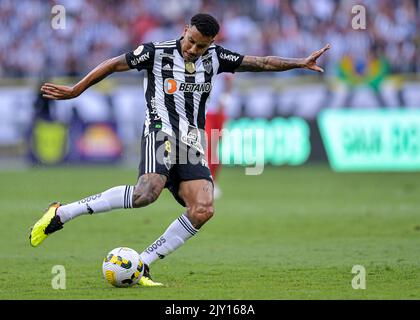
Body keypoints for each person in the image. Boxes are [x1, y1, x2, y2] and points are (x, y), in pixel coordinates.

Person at [30, 13, 330, 286]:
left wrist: (300, 62)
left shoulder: (215, 57)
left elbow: (262, 62)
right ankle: (62, 213)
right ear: (184, 30)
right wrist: (76, 90)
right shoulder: (155, 51)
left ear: (211, 43)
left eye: (201, 46)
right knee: (145, 194)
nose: (193, 50)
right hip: (161, 131)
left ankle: (143, 264)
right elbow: (113, 64)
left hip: (191, 141)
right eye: (191, 42)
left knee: (203, 209)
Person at [205, 74, 234, 199]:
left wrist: (224, 101)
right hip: (204, 111)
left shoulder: (219, 57)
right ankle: (205, 181)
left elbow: (229, 81)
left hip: (217, 112)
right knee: (206, 148)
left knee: (214, 149)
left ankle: (212, 181)